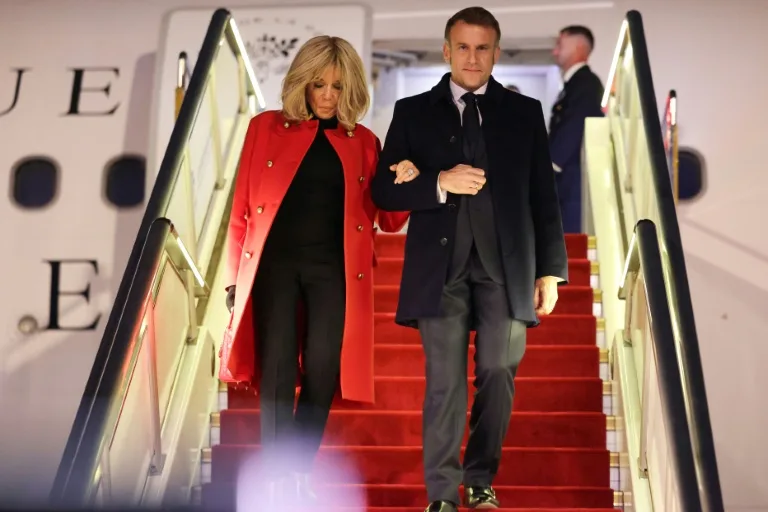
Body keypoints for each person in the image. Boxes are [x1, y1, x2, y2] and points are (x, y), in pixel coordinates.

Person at [371, 7, 568, 512]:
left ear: (496, 53)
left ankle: (480, 476)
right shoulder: (412, 112)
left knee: (499, 371)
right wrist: (438, 181)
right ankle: (442, 494)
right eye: (463, 47)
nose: (473, 58)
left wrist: (551, 270)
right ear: (446, 51)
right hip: (440, 270)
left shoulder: (524, 113)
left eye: (483, 48)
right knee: (445, 384)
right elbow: (384, 193)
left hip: (507, 267)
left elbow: (543, 196)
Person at [219, 35, 409, 504]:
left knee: (324, 368)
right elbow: (241, 209)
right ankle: (278, 475)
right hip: (274, 266)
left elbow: (388, 219)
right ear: (302, 83)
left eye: (337, 87)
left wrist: (406, 182)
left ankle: (298, 466)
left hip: (335, 271)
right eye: (319, 84)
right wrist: (233, 280)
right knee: (278, 368)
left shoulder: (364, 142)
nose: (327, 95)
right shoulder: (265, 127)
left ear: (351, 89)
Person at [549, 25, 604, 233]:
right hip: (566, 182)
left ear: (579, 47)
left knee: (569, 241)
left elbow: (574, 125)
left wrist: (551, 164)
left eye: (560, 45)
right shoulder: (574, 84)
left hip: (572, 184)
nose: (555, 51)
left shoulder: (586, 83)